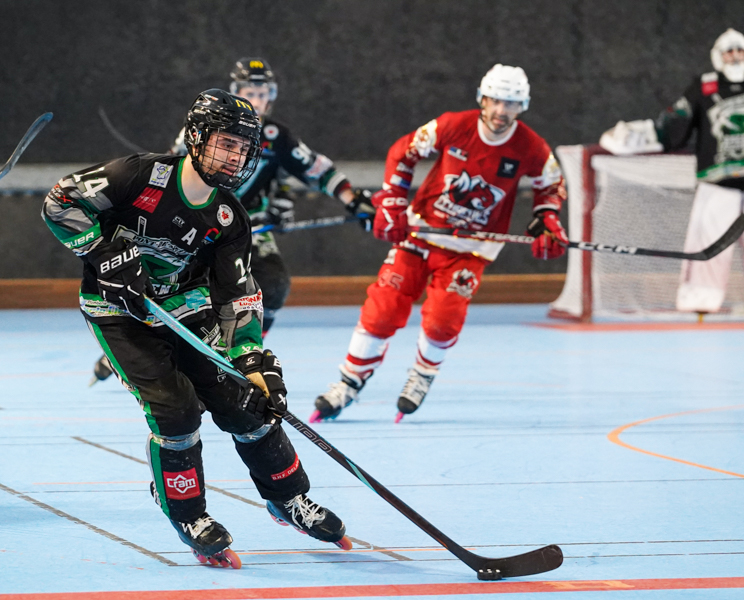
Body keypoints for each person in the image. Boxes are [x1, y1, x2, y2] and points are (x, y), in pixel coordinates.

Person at [42, 89, 351, 568]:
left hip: (187, 312)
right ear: (197, 136)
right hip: (119, 317)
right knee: (177, 412)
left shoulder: (228, 217)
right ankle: (188, 512)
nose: (235, 157)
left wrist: (252, 359)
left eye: (243, 149)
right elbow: (60, 201)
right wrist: (103, 253)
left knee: (247, 403)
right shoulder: (139, 175)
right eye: (226, 143)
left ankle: (288, 498)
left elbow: (239, 294)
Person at [90, 57, 375, 385]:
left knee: (274, 284)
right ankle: (139, 339)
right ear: (235, 92)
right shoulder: (206, 127)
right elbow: (175, 173)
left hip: (247, 224)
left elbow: (313, 168)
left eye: (262, 92)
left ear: (272, 96)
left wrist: (353, 201)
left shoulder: (274, 134)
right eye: (247, 91)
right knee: (175, 284)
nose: (255, 100)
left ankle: (242, 352)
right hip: (197, 220)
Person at [310, 64, 568, 423]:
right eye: (494, 100)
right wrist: (395, 203)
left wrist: (548, 220)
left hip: (471, 248)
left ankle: (422, 374)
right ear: (482, 98)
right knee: (382, 308)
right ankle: (348, 382)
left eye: (510, 103)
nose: (500, 111)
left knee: (443, 320)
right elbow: (404, 152)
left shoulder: (531, 147)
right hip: (422, 233)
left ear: (522, 105)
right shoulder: (453, 125)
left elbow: (551, 186)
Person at [599, 28, 744, 318]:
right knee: (707, 243)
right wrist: (641, 136)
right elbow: (675, 124)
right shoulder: (703, 87)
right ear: (717, 56)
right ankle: (700, 298)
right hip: (716, 184)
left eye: (740, 51)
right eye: (729, 51)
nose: (735, 56)